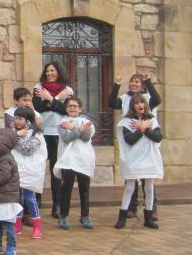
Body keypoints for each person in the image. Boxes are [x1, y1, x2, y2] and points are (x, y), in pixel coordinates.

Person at [109, 72, 163, 219]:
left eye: (137, 82)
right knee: (131, 178)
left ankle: (151, 209)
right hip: (133, 141)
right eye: (132, 81)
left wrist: (149, 82)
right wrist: (116, 85)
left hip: (146, 143)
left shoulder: (148, 98)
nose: (133, 84)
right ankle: (131, 208)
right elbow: (111, 103)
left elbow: (157, 99)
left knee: (148, 178)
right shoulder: (125, 98)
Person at [32, 61, 74, 218]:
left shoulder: (67, 90)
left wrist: (50, 99)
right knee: (39, 167)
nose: (49, 73)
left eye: (53, 71)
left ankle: (57, 204)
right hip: (42, 132)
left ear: (59, 72)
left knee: (56, 170)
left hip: (58, 133)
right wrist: (56, 99)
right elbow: (37, 107)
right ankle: (36, 202)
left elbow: (68, 110)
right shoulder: (38, 87)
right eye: (47, 71)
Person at [53, 97, 96, 231]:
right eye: (70, 106)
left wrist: (74, 127)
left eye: (75, 106)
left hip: (83, 159)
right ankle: (64, 216)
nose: (72, 108)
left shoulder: (87, 122)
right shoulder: (62, 122)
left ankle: (85, 216)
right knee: (67, 189)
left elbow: (86, 137)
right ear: (66, 109)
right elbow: (66, 138)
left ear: (80, 109)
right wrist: (78, 129)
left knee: (85, 190)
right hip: (68, 159)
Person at [11, 107, 48, 239]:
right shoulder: (13, 131)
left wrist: (16, 137)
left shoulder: (36, 134)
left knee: (29, 197)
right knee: (16, 198)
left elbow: (27, 150)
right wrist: (15, 134)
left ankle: (37, 226)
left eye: (20, 118)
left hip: (30, 171)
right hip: (17, 169)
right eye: (15, 118)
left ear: (27, 120)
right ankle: (17, 225)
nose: (17, 121)